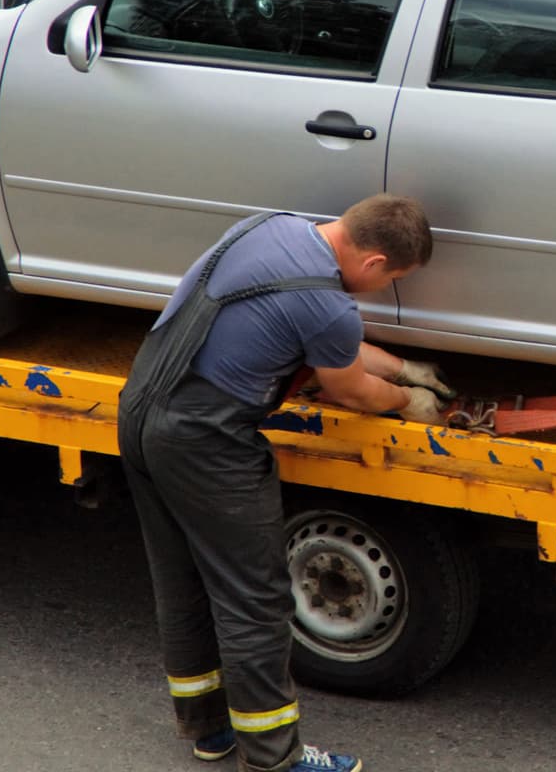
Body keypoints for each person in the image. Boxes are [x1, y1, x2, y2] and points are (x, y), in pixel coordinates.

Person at [117, 195, 453, 772]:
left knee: (184, 579)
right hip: (206, 442)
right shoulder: (327, 304)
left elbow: (326, 337)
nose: (383, 287)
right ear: (374, 263)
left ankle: (209, 729)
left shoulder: (269, 228)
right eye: (392, 278)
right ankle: (275, 756)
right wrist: (407, 399)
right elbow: (349, 386)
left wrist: (402, 367)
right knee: (255, 599)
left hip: (141, 410)